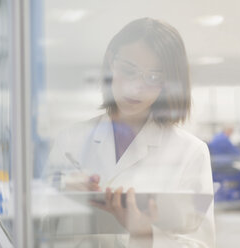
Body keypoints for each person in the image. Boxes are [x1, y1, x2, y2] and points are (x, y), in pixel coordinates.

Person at [44, 18, 215, 248]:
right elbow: (41, 228)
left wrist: (144, 235)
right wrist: (63, 196)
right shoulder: (70, 140)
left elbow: (200, 244)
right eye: (128, 70)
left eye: (154, 77)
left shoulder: (191, 152)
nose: (136, 87)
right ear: (111, 62)